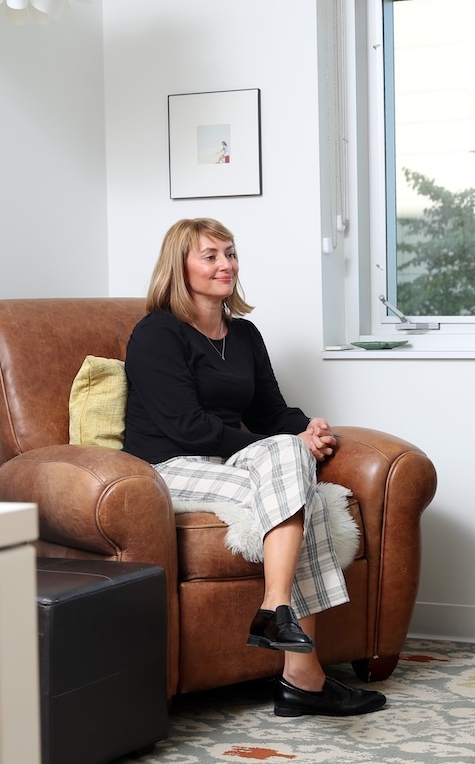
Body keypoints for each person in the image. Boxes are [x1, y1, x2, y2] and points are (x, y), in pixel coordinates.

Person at [123, 217, 385, 717]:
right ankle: (302, 678)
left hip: (229, 462)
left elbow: (271, 413)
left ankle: (275, 609)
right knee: (294, 476)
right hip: (167, 467)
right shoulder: (156, 334)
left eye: (231, 252)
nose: (226, 264)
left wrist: (309, 429)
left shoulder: (243, 334)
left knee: (291, 457)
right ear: (179, 266)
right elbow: (187, 428)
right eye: (210, 255)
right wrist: (282, 443)